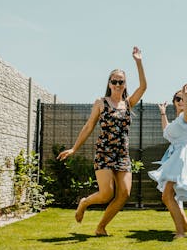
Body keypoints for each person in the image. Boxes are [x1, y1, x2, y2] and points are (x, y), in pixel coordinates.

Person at [57, 46, 147, 236]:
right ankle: (85, 202)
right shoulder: (101, 103)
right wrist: (74, 148)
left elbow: (144, 87)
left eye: (120, 81)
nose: (117, 84)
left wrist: (138, 62)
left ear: (124, 83)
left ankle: (101, 227)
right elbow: (88, 126)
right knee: (106, 194)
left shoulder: (129, 104)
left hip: (122, 154)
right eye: (114, 81)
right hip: (104, 152)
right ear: (109, 83)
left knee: (124, 193)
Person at [148, 81, 187, 239]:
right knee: (172, 196)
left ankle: (180, 233)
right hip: (176, 155)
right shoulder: (176, 122)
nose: (181, 101)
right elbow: (166, 132)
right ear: (174, 103)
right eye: (178, 99)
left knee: (167, 195)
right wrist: (163, 113)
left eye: (185, 99)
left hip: (184, 156)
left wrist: (185, 94)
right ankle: (186, 229)